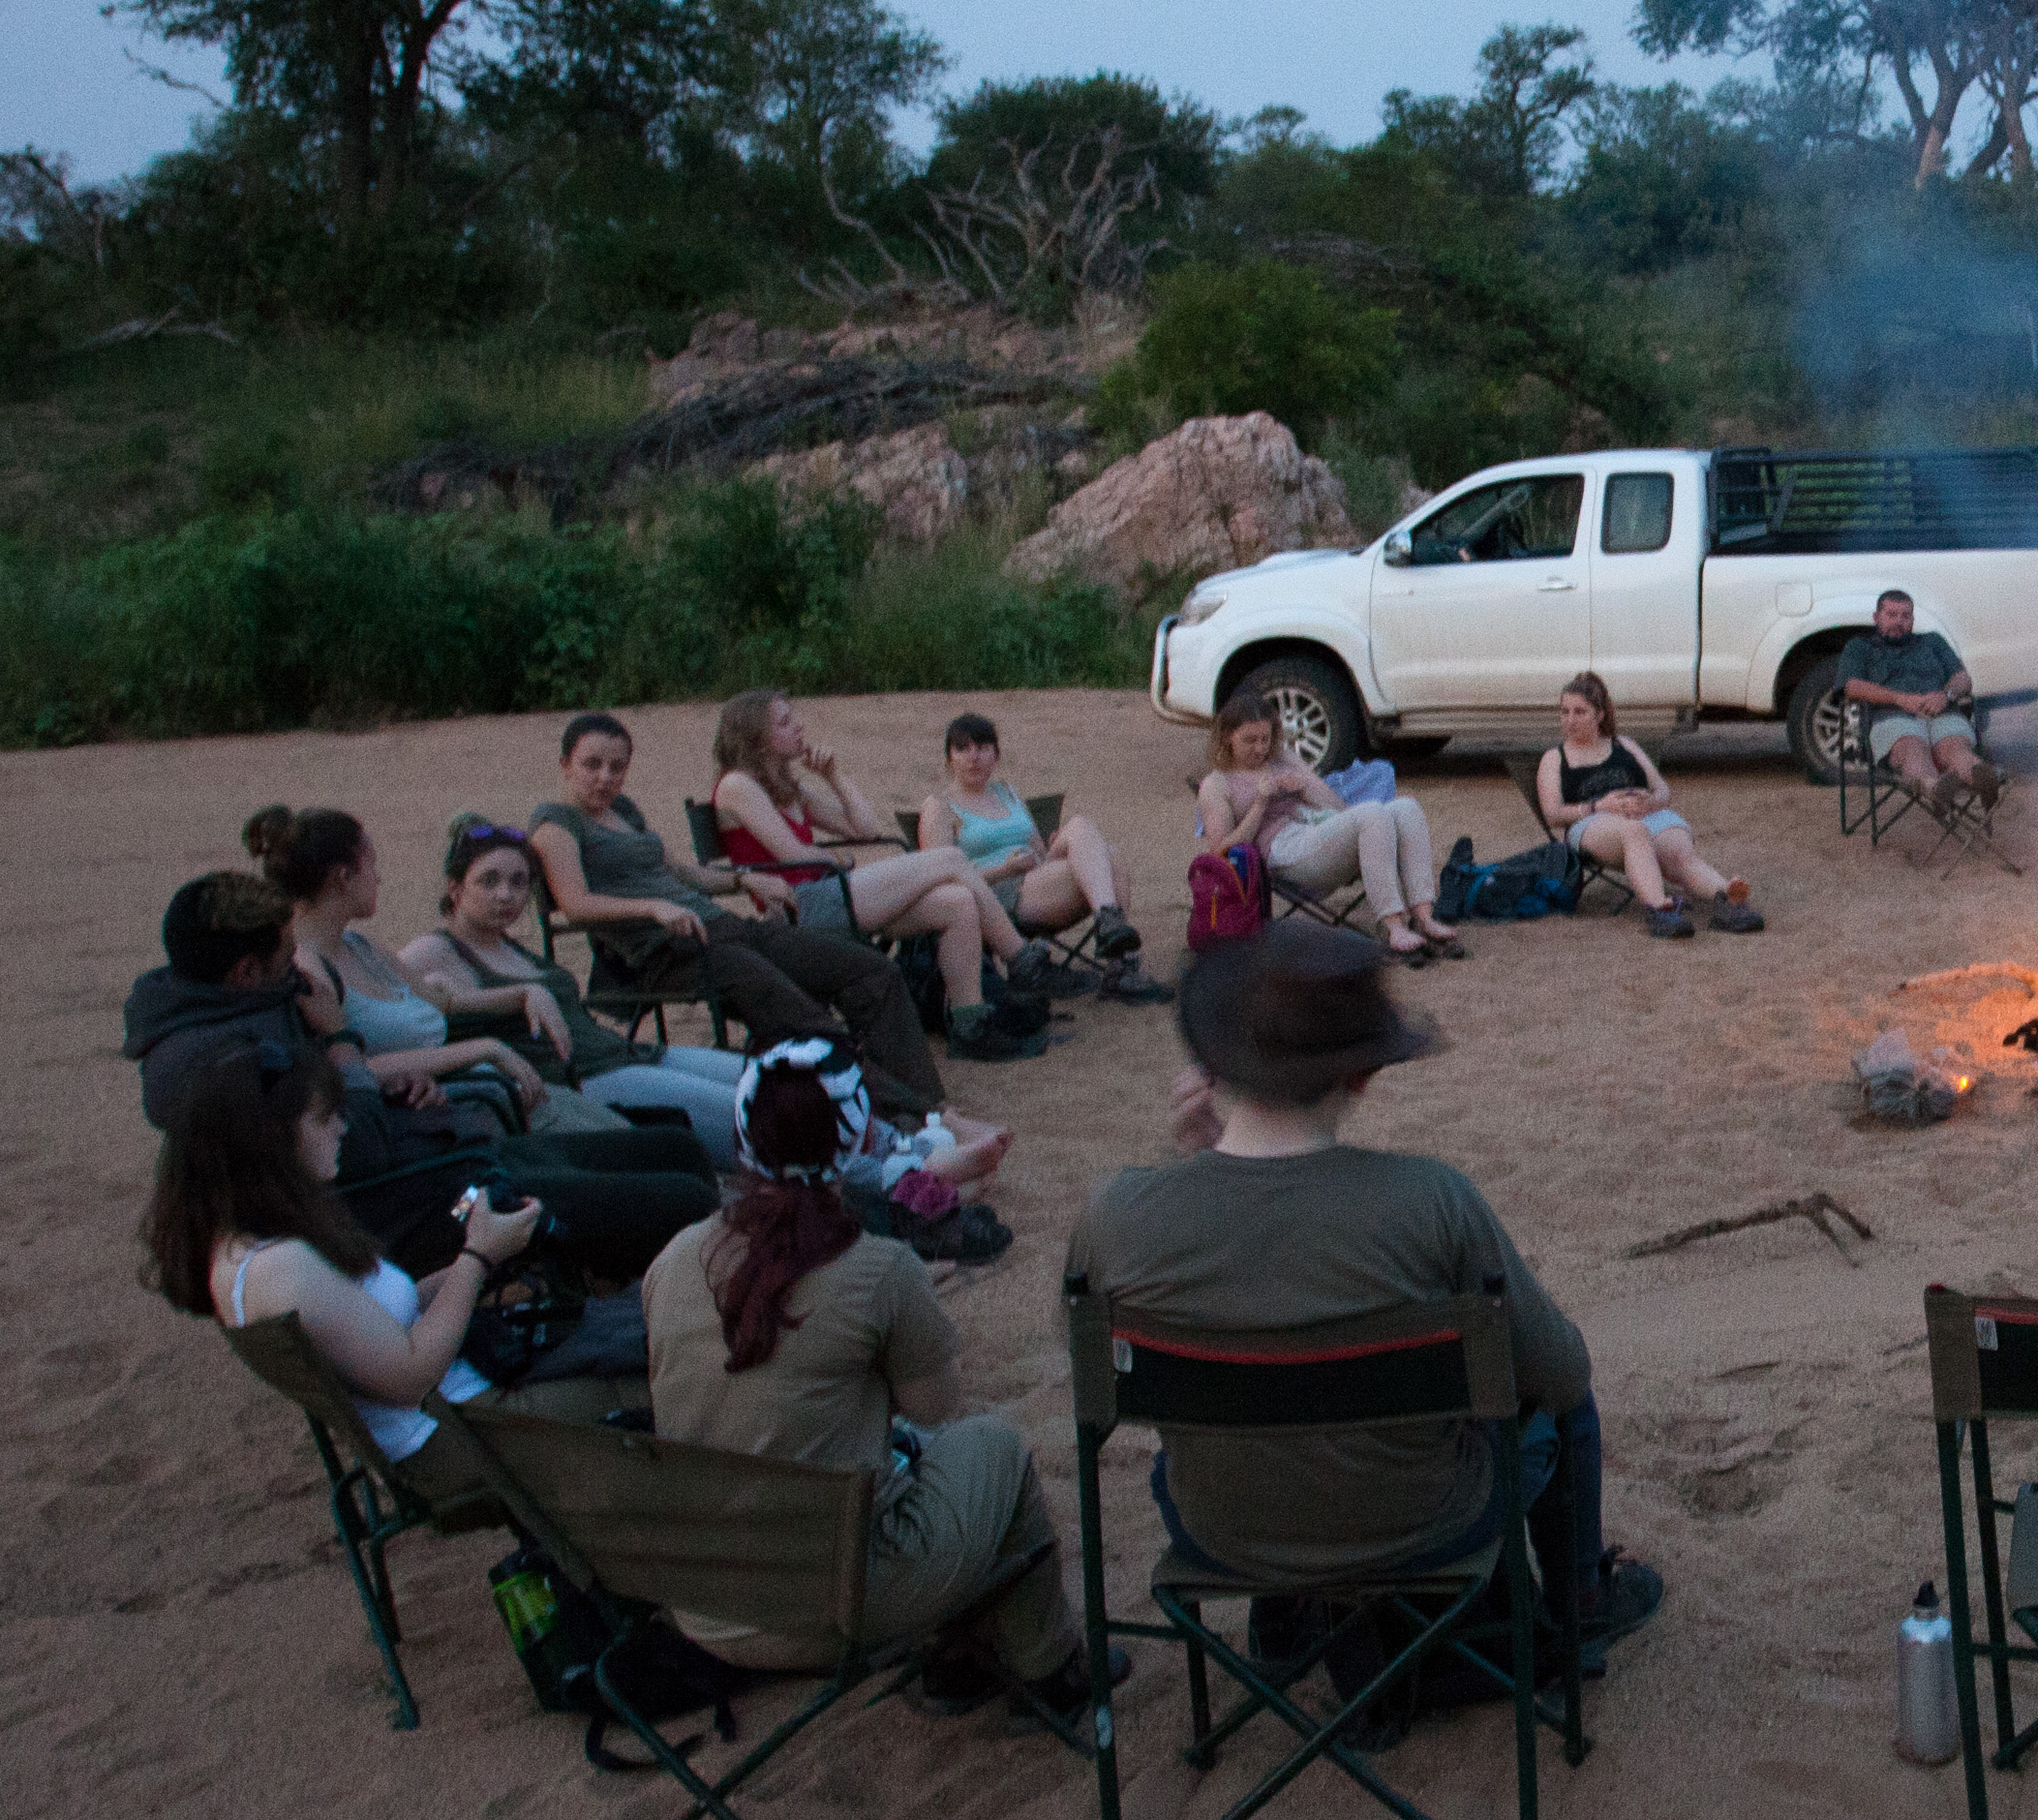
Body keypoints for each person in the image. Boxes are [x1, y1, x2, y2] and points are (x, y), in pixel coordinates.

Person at [1068, 926, 1661, 1668]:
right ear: (1362, 1074)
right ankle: (1580, 1606)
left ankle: (1289, 1622)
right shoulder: (1431, 1203)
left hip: (1218, 1531)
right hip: (1424, 1525)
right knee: (1563, 1402)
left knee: (1230, 1416)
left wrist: (1192, 1166)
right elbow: (1562, 1374)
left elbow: (1091, 1374)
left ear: (1213, 1067)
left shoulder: (1118, 1214)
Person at [637, 1051, 1100, 1708]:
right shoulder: (879, 1268)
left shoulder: (676, 1257)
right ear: (855, 1141)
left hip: (709, 1603)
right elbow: (937, 1410)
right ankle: (1048, 1670)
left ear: (741, 1136)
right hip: (837, 1606)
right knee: (991, 1451)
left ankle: (969, 1659)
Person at [122, 871, 718, 1280]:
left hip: (445, 1159)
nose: (298, 970)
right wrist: (340, 1040)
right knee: (681, 1198)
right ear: (247, 972)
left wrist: (399, 1089)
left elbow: (351, 1112)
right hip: (434, 1209)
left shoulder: (237, 1002)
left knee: (675, 1147)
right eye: (285, 958)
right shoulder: (220, 1066)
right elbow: (358, 1150)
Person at [139, 1036, 640, 1513]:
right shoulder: (281, 1268)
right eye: (324, 1118)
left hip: (462, 1406)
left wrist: (477, 1259)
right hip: (460, 1441)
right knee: (656, 1371)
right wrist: (477, 1260)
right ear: (274, 1141)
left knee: (641, 1329)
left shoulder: (251, 1242)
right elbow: (409, 1378)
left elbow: (371, 1321)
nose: (342, 1127)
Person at [522, 710, 963, 1110]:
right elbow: (575, 904)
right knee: (801, 1015)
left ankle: (924, 1103)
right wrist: (653, 907)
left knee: (869, 970)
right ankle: (902, 1113)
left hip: (723, 929)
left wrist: (741, 878)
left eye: (617, 767)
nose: (605, 777)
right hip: (669, 953)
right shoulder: (556, 823)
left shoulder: (624, 812)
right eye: (591, 765)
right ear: (565, 764)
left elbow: (685, 874)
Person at [397, 815, 762, 1161]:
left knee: (773, 1076)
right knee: (758, 1115)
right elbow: (386, 1019)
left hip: (628, 1052)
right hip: (585, 1080)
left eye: (518, 882)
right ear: (455, 888)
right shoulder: (432, 953)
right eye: (488, 881)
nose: (506, 895)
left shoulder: (506, 944)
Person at [705, 688, 1040, 1060]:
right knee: (948, 858)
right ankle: (1022, 959)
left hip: (831, 895)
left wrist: (833, 777)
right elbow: (792, 854)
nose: (799, 727)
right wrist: (837, 860)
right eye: (784, 722)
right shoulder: (738, 786)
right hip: (804, 906)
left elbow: (865, 828)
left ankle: (970, 1027)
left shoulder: (784, 787)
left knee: (956, 901)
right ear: (757, 736)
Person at [243, 804, 564, 1133]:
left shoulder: (361, 948)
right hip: (427, 1123)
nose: (378, 877)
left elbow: (444, 1003)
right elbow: (345, 1070)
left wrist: (526, 992)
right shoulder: (307, 970)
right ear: (343, 878)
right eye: (372, 865)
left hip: (474, 1099)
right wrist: (484, 1049)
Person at [1196, 696, 1460, 965]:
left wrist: (1303, 786)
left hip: (1316, 828)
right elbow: (1220, 853)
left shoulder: (1282, 758)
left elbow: (1337, 807)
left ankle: (1423, 916)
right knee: (1371, 813)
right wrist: (1260, 803)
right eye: (1250, 740)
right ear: (1228, 737)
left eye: (1265, 738)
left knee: (1406, 807)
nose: (1260, 748)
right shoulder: (1217, 785)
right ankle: (1394, 926)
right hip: (1284, 851)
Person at [917, 713, 1152, 997]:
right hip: (997, 895)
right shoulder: (940, 807)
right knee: (1106, 860)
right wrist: (1005, 869)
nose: (973, 757)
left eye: (982, 748)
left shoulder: (1008, 793)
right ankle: (1116, 949)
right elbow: (940, 879)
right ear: (949, 759)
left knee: (1087, 832)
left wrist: (1059, 845)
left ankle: (1112, 937)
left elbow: (1038, 851)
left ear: (996, 756)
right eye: (963, 749)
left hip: (1038, 878)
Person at [1531, 672, 1762, 939]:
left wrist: (1649, 804)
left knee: (1679, 852)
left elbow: (1663, 790)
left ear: (1600, 715)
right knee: (1634, 833)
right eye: (1565, 712)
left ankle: (1727, 899)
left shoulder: (1624, 745)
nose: (1570, 720)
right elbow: (1552, 814)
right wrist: (1599, 806)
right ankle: (1660, 910)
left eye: (1580, 712)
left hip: (1648, 816)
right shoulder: (1554, 758)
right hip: (1592, 824)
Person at [1838, 589, 2001, 816]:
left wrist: (1947, 695)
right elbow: (1852, 686)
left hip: (1942, 713)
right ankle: (1934, 788)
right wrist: (1900, 698)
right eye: (1891, 615)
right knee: (1912, 748)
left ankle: (1980, 777)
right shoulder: (1860, 648)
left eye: (1905, 616)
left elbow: (1962, 678)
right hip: (1893, 717)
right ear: (1876, 618)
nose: (1899, 621)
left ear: (1913, 620)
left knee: (1955, 748)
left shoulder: (1932, 641)